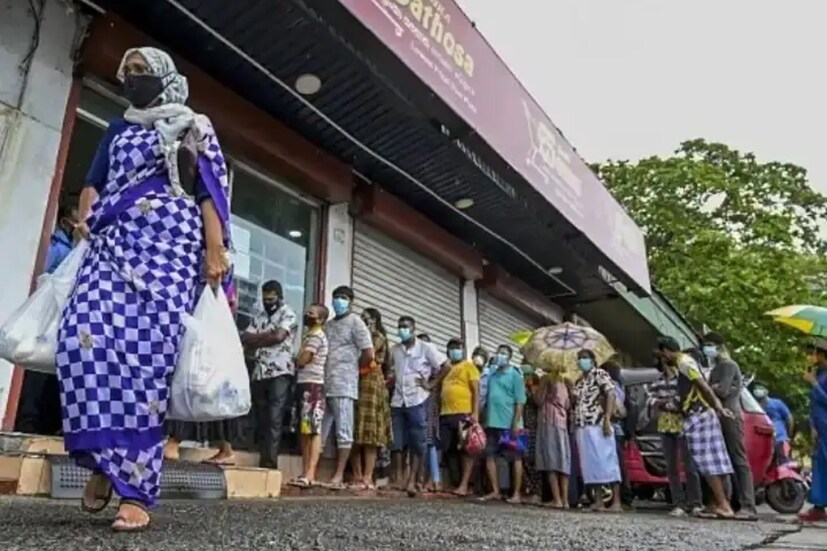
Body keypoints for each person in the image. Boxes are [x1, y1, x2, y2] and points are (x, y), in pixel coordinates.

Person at [57, 47, 233, 531]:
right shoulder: (118, 128)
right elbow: (95, 183)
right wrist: (86, 217)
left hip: (168, 256)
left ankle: (132, 486)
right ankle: (100, 461)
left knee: (145, 368)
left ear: (164, 77)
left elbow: (209, 190)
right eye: (126, 72)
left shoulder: (194, 124)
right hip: (111, 247)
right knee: (81, 342)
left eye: (141, 72)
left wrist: (214, 250)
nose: (130, 78)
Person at [16, 204, 79, 435]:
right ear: (65, 223)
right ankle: (29, 423)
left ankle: (49, 424)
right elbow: (41, 278)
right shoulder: (56, 248)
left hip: (64, 322)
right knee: (38, 371)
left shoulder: (75, 249)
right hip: (47, 321)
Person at [657, 336, 735, 519]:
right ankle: (718, 504)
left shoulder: (684, 363)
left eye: (662, 354)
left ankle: (724, 505)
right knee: (711, 462)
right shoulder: (683, 364)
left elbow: (704, 387)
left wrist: (718, 407)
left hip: (700, 416)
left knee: (708, 463)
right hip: (698, 415)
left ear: (667, 351)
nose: (662, 358)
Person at [241, 280, 298, 470]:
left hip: (280, 371)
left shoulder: (288, 313)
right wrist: (267, 337)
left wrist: (258, 339)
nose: (267, 301)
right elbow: (245, 337)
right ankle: (262, 459)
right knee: (262, 418)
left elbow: (279, 337)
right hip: (260, 372)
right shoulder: (259, 316)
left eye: (271, 298)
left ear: (279, 297)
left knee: (275, 418)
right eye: (265, 298)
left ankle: (270, 464)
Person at [322, 286, 374, 489]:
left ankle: (338, 475)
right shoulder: (328, 325)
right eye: (335, 297)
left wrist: (352, 367)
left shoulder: (356, 323)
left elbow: (368, 354)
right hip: (325, 382)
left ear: (351, 301)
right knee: (321, 429)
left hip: (345, 384)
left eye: (343, 298)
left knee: (344, 430)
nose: (338, 301)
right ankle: (314, 471)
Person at [389, 317, 448, 496]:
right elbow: (392, 370)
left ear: (413, 329)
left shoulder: (426, 348)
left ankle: (413, 480)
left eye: (406, 327)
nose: (402, 330)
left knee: (418, 441)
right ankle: (398, 479)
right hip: (398, 400)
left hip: (418, 400)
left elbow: (446, 366)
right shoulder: (395, 350)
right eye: (400, 327)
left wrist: (431, 384)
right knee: (397, 441)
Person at [703, 332, 756, 519]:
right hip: (719, 415)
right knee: (720, 461)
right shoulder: (717, 367)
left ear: (719, 346)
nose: (706, 348)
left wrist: (709, 388)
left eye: (709, 344)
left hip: (730, 415)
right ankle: (723, 503)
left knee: (738, 459)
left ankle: (748, 505)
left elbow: (722, 390)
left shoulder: (727, 365)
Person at [648, 350, 702, 517]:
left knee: (689, 465)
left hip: (683, 423)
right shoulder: (657, 381)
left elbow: (683, 398)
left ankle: (696, 503)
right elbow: (652, 400)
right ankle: (678, 503)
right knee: (671, 467)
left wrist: (666, 404)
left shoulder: (681, 378)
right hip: (665, 425)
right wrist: (666, 404)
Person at [572, 350, 622, 512]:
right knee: (591, 464)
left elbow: (610, 394)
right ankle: (599, 500)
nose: (582, 361)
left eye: (585, 358)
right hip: (583, 425)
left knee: (607, 460)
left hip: (599, 423)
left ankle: (616, 502)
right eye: (579, 359)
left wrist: (607, 418)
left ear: (593, 360)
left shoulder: (599, 374)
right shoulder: (579, 381)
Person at [286, 303, 329, 486]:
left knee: (312, 429)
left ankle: (310, 473)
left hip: (313, 385)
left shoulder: (317, 336)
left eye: (311, 313)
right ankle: (305, 472)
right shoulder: (309, 335)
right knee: (304, 430)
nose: (306, 315)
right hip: (304, 384)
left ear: (320, 319)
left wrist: (297, 359)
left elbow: (304, 359)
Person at [480, 345, 527, 504]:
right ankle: (495, 490)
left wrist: (515, 423)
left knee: (515, 458)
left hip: (510, 424)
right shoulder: (492, 375)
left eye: (504, 353)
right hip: (492, 422)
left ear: (509, 357)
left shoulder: (515, 376)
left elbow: (520, 402)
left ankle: (516, 494)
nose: (500, 356)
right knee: (490, 456)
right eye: (498, 352)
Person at [350, 307, 392, 490]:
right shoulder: (357, 336)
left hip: (372, 385)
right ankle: (357, 475)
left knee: (370, 434)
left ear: (374, 320)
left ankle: (367, 477)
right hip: (356, 382)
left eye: (365, 318)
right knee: (353, 431)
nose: (363, 321)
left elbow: (368, 354)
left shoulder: (377, 337)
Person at [438, 338, 480, 496]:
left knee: (465, 449)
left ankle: (465, 485)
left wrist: (475, 413)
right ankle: (454, 483)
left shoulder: (469, 367)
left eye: (458, 347)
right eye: (452, 347)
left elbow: (476, 390)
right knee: (448, 450)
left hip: (464, 413)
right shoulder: (447, 369)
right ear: (448, 351)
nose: (455, 350)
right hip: (446, 413)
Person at [533, 368, 571, 509]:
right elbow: (567, 404)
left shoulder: (546, 379)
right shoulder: (566, 380)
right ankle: (565, 500)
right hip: (562, 423)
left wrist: (536, 389)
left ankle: (557, 499)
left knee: (550, 461)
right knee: (563, 460)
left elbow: (539, 400)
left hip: (548, 421)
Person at [799, 342, 827, 522]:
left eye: (813, 353)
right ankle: (818, 506)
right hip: (820, 426)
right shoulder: (820, 373)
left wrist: (814, 384)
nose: (811, 357)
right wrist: (813, 426)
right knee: (819, 464)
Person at [603, 359, 633, 507]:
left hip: (612, 428)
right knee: (618, 463)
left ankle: (620, 498)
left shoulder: (611, 387)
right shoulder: (620, 387)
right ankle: (623, 496)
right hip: (619, 429)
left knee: (614, 464)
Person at [752, 385, 793, 464]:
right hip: (764, 442)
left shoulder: (777, 403)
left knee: (784, 463)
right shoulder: (755, 408)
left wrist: (788, 435)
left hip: (780, 439)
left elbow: (789, 419)